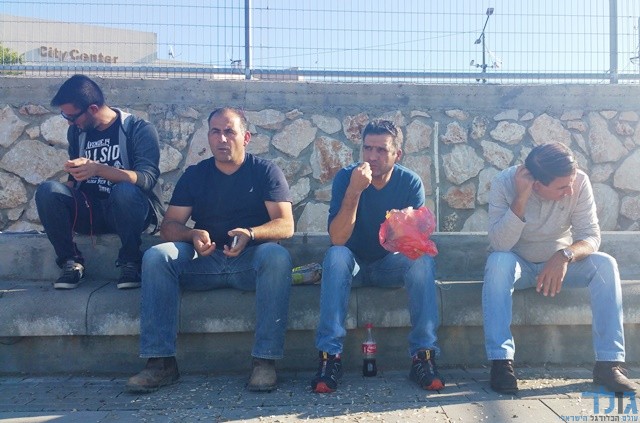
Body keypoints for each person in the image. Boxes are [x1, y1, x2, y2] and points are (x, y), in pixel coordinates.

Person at [126, 107, 294, 393]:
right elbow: (169, 226)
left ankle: (264, 362)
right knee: (156, 256)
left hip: (249, 262)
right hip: (204, 260)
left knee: (277, 256)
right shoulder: (196, 175)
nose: (222, 139)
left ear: (246, 137)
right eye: (215, 132)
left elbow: (285, 225)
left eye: (229, 132)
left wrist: (251, 233)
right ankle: (161, 363)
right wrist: (191, 234)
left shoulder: (265, 171)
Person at [483, 142, 636, 394]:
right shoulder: (504, 182)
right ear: (536, 184)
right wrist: (521, 198)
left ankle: (609, 365)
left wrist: (564, 256)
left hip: (561, 267)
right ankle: (501, 363)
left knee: (605, 264)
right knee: (497, 262)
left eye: (571, 183)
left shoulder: (579, 182)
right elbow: (500, 244)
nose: (570, 190)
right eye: (562, 187)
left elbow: (590, 236)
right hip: (518, 265)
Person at [311, 119, 444, 394]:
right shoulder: (347, 178)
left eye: (381, 150)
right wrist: (354, 191)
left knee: (422, 262)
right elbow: (338, 238)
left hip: (389, 264)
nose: (372, 156)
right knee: (336, 255)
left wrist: (403, 229)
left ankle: (423, 356)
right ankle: (329, 357)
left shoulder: (409, 182)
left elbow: (412, 245)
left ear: (397, 154)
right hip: (353, 266)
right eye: (368, 148)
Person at [36, 74, 161, 290]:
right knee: (48, 191)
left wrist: (98, 169)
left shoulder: (138, 129)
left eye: (72, 116)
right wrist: (57, 205)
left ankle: (131, 262)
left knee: (124, 191)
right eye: (65, 115)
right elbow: (73, 182)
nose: (69, 122)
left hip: (129, 212)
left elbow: (146, 179)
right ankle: (71, 262)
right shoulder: (77, 132)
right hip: (91, 211)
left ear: (93, 109)